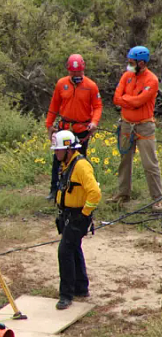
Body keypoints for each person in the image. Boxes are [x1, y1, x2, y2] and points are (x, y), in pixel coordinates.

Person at [52, 130, 101, 310]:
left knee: (65, 251)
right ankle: (81, 287)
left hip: (77, 216)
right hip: (69, 215)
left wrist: (85, 213)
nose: (55, 153)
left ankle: (66, 295)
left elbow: (95, 193)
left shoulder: (80, 166)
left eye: (58, 150)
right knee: (73, 249)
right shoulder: (68, 164)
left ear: (69, 149)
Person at [109, 46, 162, 210]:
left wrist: (127, 99)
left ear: (141, 63)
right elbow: (116, 98)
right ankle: (123, 193)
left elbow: (139, 101)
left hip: (144, 126)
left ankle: (157, 198)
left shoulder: (151, 80)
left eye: (132, 63)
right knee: (125, 161)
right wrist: (129, 100)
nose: (129, 65)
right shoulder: (127, 76)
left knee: (150, 164)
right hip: (126, 125)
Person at [45, 54, 103, 200]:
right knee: (58, 158)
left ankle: (78, 189)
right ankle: (54, 190)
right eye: (73, 72)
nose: (76, 75)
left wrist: (94, 122)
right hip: (64, 128)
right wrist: (49, 124)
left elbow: (97, 106)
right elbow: (54, 105)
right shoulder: (61, 84)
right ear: (68, 71)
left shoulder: (91, 86)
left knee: (79, 160)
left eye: (78, 72)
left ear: (83, 70)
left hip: (82, 130)